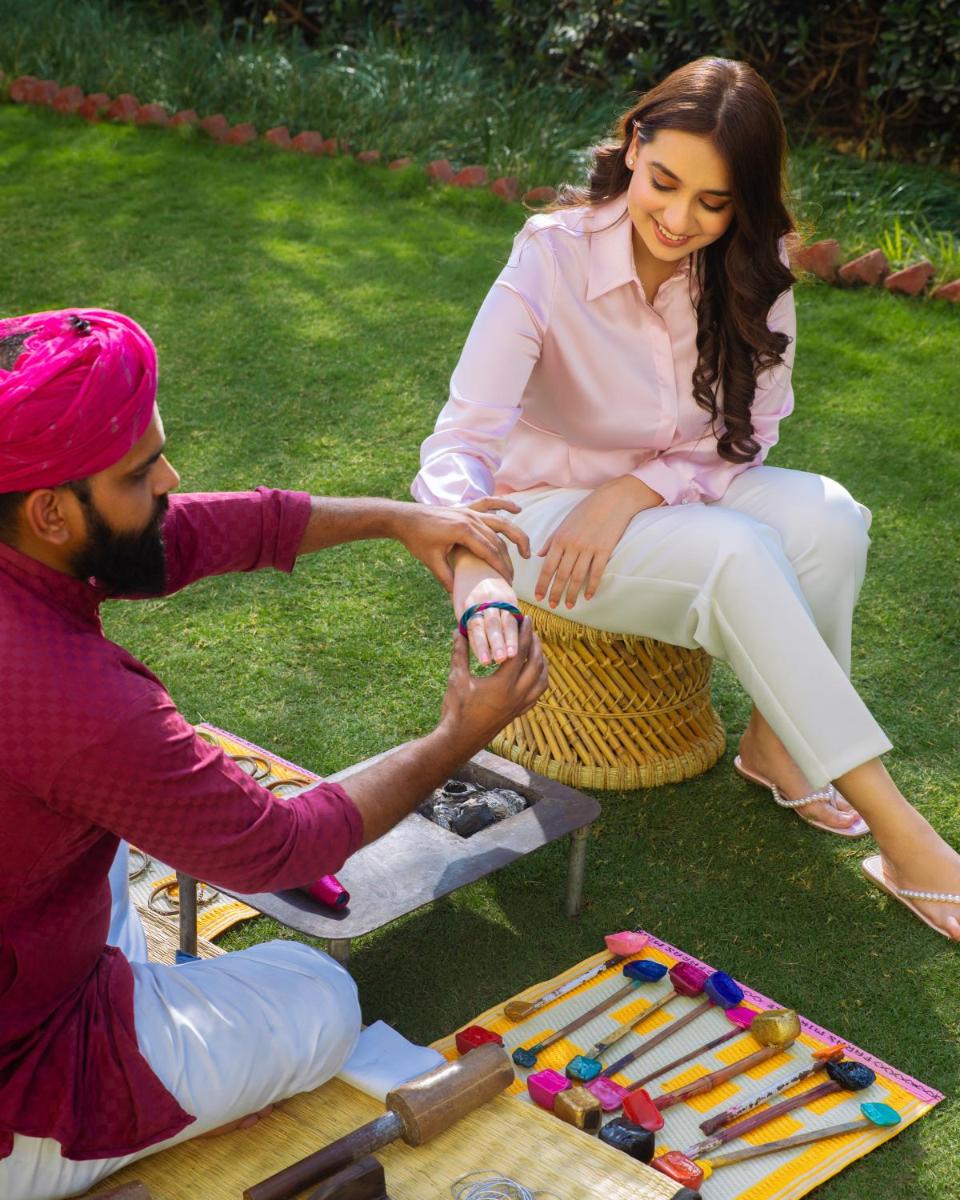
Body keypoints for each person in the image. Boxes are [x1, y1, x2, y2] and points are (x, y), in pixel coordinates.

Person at [0, 307, 547, 1200]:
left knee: (91, 845)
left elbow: (172, 537)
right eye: (143, 473)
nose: (171, 479)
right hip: (16, 1088)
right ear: (52, 511)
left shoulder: (24, 538)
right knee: (316, 997)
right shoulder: (77, 701)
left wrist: (395, 519)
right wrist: (460, 735)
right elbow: (280, 849)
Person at [412, 57, 960, 940]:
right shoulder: (549, 255)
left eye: (714, 202)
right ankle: (911, 845)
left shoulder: (755, 264)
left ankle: (778, 750)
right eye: (664, 183)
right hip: (543, 516)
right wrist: (474, 564)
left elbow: (751, 434)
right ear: (634, 145)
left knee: (830, 519)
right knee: (736, 553)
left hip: (666, 495)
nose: (679, 219)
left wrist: (637, 488)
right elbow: (460, 440)